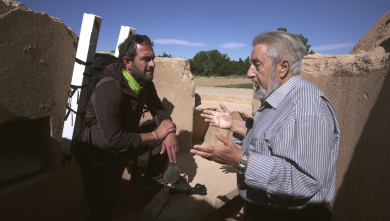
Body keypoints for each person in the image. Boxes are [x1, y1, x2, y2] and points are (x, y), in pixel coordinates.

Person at [191, 31, 340, 221]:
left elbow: (305, 180)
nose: (249, 72)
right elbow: (274, 139)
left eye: (257, 64)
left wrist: (241, 160)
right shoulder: (281, 98)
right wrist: (236, 125)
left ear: (283, 67)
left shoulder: (306, 108)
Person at [74, 34, 179, 221]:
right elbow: (115, 141)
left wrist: (168, 131)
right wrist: (156, 134)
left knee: (167, 128)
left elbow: (160, 112)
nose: (152, 64)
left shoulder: (144, 83)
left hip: (124, 144)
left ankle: (150, 180)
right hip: (100, 157)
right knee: (104, 208)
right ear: (127, 62)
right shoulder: (109, 89)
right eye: (146, 59)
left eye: (153, 58)